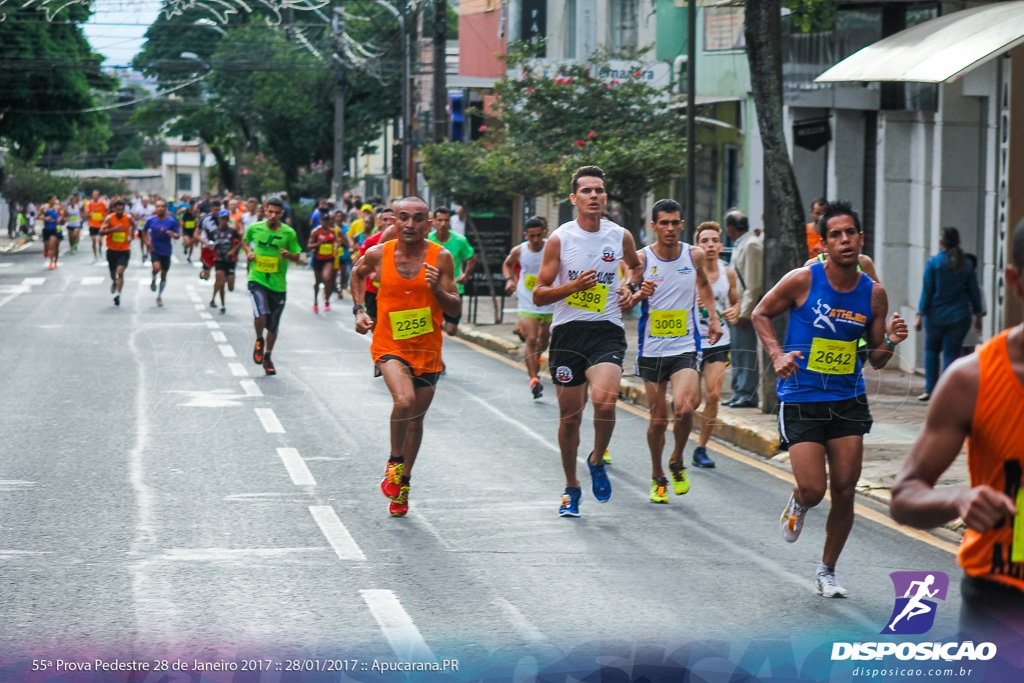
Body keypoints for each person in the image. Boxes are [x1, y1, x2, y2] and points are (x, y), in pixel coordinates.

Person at [751, 200, 908, 598]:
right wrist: (777, 354)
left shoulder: (873, 295)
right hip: (802, 396)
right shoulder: (802, 280)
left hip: (847, 398)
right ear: (824, 244)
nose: (844, 240)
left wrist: (890, 338)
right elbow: (760, 313)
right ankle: (800, 502)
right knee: (814, 488)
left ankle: (827, 570)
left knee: (844, 487)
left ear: (861, 238)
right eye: (835, 235)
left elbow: (875, 359)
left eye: (849, 233)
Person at [890, 218, 1024, 639]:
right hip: (1001, 606)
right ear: (1015, 281)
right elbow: (904, 496)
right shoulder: (974, 380)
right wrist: (960, 498)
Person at [533, 166, 642, 517]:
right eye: (586, 191)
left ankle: (596, 458)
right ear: (574, 198)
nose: (594, 196)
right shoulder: (560, 239)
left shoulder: (619, 235)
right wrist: (572, 287)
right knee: (569, 419)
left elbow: (636, 267)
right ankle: (571, 485)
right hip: (568, 334)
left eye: (599, 191)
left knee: (605, 402)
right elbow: (539, 295)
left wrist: (628, 288)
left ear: (605, 197)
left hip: (606, 330)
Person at [350, 197, 461, 517]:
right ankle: (394, 463)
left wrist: (437, 290)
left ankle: (404, 486)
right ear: (394, 222)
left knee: (416, 421)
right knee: (405, 401)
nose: (410, 224)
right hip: (390, 345)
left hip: (427, 350)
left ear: (428, 225)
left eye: (417, 219)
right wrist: (359, 311)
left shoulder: (441, 257)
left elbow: (454, 308)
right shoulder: (378, 254)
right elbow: (357, 276)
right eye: (403, 218)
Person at [627, 201, 722, 503]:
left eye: (675, 223)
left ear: (682, 225)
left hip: (685, 346)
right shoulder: (641, 259)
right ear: (653, 226)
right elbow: (625, 299)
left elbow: (704, 285)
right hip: (652, 348)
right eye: (663, 223)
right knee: (658, 420)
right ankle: (658, 475)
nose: (669, 228)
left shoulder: (693, 255)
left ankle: (677, 459)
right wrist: (638, 292)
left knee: (683, 409)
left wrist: (714, 317)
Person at [915, 226, 983, 401]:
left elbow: (927, 291)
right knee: (951, 354)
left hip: (935, 316)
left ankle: (930, 390)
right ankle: (948, 394)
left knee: (931, 350)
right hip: (959, 316)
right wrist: (978, 315)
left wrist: (919, 315)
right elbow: (974, 291)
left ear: (941, 241)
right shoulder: (966, 264)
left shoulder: (933, 263)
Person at [694, 221, 740, 467]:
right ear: (697, 246)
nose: (710, 245)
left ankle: (701, 448)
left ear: (721, 245)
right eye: (704, 241)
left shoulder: (727, 272)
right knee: (689, 401)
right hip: (689, 341)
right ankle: (682, 435)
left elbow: (735, 302)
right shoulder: (688, 271)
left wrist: (734, 311)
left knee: (712, 395)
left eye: (714, 241)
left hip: (719, 341)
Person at [242, 197, 302, 376]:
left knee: (274, 326)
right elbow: (245, 241)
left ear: (282, 214)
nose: (274, 216)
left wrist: (289, 255)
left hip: (278, 285)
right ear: (265, 211)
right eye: (271, 212)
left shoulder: (288, 233)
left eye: (277, 213)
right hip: (257, 279)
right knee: (261, 313)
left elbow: (298, 256)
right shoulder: (255, 228)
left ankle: (268, 355)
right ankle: (259, 341)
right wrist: (249, 252)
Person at [503, 216, 555, 399]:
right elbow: (507, 264)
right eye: (531, 236)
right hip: (527, 299)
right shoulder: (520, 250)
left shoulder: (553, 247)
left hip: (549, 299)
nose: (534, 240)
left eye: (538, 236)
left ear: (545, 233)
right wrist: (510, 279)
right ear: (526, 235)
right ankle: (534, 379)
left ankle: (535, 361)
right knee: (531, 339)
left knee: (543, 342)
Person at [723, 210, 763, 408]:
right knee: (737, 352)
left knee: (746, 352)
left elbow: (754, 283)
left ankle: (747, 394)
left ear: (730, 228)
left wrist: (745, 312)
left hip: (743, 310)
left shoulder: (752, 245)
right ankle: (739, 391)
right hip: (735, 309)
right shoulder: (742, 244)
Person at [429, 206, 476, 336]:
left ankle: (443, 324)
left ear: (450, 221)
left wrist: (465, 275)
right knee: (431, 326)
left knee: (451, 330)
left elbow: (472, 258)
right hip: (431, 288)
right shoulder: (427, 240)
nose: (443, 224)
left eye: (446, 220)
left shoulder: (460, 240)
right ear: (434, 221)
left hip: (453, 288)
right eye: (440, 220)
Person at [355, 207, 395, 320]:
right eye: (385, 219)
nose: (388, 222)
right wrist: (372, 272)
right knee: (374, 323)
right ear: (379, 222)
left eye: (391, 219)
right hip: (373, 289)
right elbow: (357, 263)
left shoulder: (403, 239)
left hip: (395, 290)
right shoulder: (372, 241)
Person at [141, 199, 181, 307]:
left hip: (166, 250)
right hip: (155, 249)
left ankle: (159, 295)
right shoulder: (151, 220)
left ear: (166, 208)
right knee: (156, 268)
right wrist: (147, 242)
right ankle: (153, 278)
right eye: (158, 206)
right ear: (156, 208)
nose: (160, 208)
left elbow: (178, 234)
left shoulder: (171, 221)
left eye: (163, 206)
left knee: (163, 275)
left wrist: (173, 234)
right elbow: (143, 231)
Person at [98, 199, 136, 307]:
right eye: (118, 209)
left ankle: (118, 294)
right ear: (114, 209)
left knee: (120, 271)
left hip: (124, 249)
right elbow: (101, 231)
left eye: (122, 209)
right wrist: (113, 229)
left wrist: (131, 235)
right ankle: (114, 281)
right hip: (112, 250)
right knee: (113, 273)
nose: (120, 211)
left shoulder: (128, 218)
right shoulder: (110, 218)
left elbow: (133, 226)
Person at [308, 211, 344, 313]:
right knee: (318, 282)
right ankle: (315, 301)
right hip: (318, 259)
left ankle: (327, 300)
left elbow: (336, 242)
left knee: (327, 279)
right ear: (320, 221)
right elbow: (309, 246)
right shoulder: (316, 232)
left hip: (329, 259)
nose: (326, 222)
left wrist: (336, 246)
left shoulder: (332, 231)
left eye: (327, 220)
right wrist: (319, 243)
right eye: (324, 220)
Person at [208, 209, 242, 313]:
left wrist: (234, 250)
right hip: (219, 260)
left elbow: (242, 240)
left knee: (230, 287)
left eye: (226, 219)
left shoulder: (232, 231)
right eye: (222, 219)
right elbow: (210, 243)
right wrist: (210, 247)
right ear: (218, 219)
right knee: (221, 281)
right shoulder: (214, 232)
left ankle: (216, 299)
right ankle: (221, 304)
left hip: (230, 260)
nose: (224, 221)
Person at [198, 199, 222, 284]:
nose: (217, 212)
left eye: (219, 210)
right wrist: (205, 243)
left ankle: (218, 287)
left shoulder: (223, 219)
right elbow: (196, 234)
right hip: (207, 249)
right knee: (206, 277)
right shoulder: (205, 220)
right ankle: (202, 274)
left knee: (220, 272)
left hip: (219, 249)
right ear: (211, 209)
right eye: (216, 210)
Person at [40, 195, 64, 270]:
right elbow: (37, 216)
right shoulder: (44, 208)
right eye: (54, 200)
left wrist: (59, 219)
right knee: (47, 246)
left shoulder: (58, 208)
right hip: (46, 229)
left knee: (53, 246)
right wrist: (45, 218)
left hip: (55, 229)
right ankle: (46, 251)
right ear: (50, 201)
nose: (55, 202)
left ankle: (52, 263)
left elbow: (62, 215)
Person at [86, 190, 108, 261]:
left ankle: (100, 249)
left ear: (98, 196)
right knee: (94, 241)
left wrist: (104, 217)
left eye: (96, 195)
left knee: (100, 240)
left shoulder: (103, 203)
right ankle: (95, 255)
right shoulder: (89, 203)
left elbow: (107, 210)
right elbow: (87, 214)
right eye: (94, 195)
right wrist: (90, 214)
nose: (95, 196)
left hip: (101, 224)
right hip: (92, 224)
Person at [181, 198, 199, 262]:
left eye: (193, 205)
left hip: (193, 229)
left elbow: (197, 218)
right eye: (191, 205)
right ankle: (185, 247)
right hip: (186, 229)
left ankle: (189, 256)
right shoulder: (186, 210)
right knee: (188, 243)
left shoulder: (195, 211)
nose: (192, 206)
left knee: (192, 244)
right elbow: (180, 214)